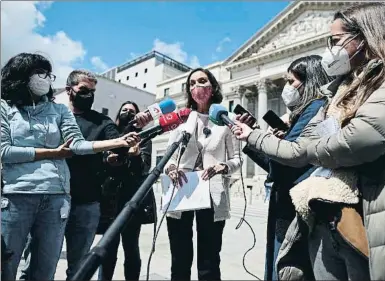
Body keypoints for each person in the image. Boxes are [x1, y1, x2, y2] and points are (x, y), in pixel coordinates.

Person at [232, 3, 385, 280]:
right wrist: (254, 136)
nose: (331, 50)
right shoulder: (339, 91)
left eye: (336, 41)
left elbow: (359, 140)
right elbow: (296, 149)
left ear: (365, 36)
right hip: (327, 214)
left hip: (375, 213)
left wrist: (308, 149)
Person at [0, 54, 139, 281]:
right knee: (8, 266)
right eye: (39, 73)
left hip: (57, 199)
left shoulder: (59, 111)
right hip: (17, 196)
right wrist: (53, 153)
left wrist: (119, 142)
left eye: (47, 74)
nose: (45, 79)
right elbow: (4, 151)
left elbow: (77, 144)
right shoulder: (5, 108)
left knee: (44, 270)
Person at [239, 55, 332, 280]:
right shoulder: (303, 112)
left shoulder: (315, 109)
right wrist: (254, 139)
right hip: (287, 206)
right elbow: (275, 165)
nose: (287, 88)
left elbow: (290, 160)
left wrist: (254, 136)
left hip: (296, 207)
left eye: (291, 81)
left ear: (309, 80)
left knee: (288, 268)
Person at [158, 68, 241, 280]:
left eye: (202, 81)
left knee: (209, 259)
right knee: (180, 256)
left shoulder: (226, 120)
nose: (197, 87)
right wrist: (171, 169)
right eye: (192, 83)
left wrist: (222, 167)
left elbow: (237, 159)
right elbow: (168, 157)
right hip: (181, 188)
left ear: (212, 87)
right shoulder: (181, 120)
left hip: (212, 192)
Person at [98, 101, 157, 281]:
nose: (128, 114)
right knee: (108, 249)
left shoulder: (144, 138)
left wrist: (136, 155)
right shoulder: (110, 135)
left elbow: (143, 169)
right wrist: (109, 158)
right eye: (124, 110)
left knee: (131, 248)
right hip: (110, 200)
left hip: (131, 201)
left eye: (132, 112)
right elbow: (101, 162)